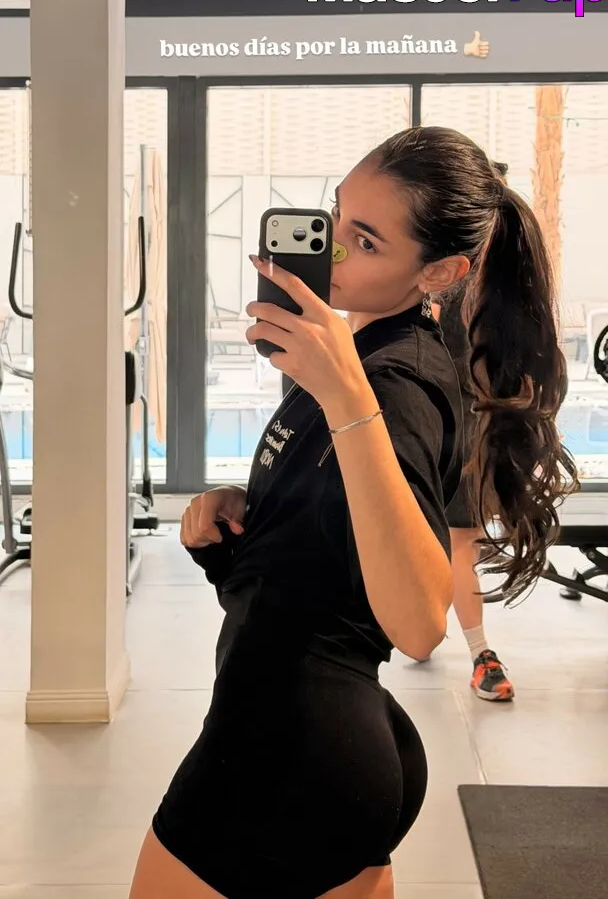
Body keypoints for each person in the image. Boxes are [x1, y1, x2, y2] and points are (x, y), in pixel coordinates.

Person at [129, 126, 577, 899]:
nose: (332, 248)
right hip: (328, 736)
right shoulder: (356, 360)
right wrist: (233, 521)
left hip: (287, 754)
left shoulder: (391, 385)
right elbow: (327, 558)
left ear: (439, 271)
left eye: (365, 241)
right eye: (337, 215)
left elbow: (419, 623)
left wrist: (345, 397)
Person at [430, 161, 515, 701]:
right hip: (444, 420)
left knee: (460, 541)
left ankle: (476, 651)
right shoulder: (450, 271)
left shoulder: (495, 276)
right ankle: (473, 649)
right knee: (457, 542)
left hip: (475, 424)